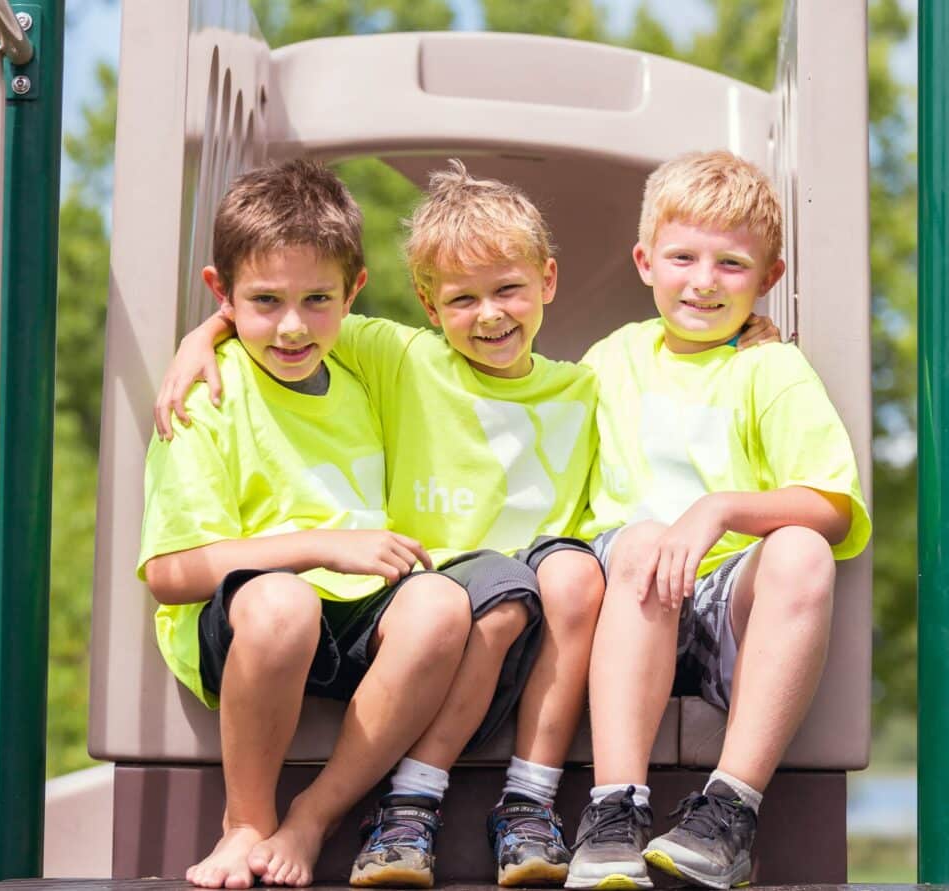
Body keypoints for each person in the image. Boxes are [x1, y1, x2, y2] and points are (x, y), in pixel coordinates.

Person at [157, 160, 780, 888]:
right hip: (437, 593)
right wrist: (204, 335)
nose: (490, 314)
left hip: (531, 609)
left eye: (509, 290)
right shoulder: (399, 356)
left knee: (562, 574)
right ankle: (401, 804)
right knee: (470, 595)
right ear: (428, 303)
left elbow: (673, 360)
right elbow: (294, 307)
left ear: (547, 282)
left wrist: (748, 336)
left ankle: (529, 798)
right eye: (463, 299)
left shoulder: (589, 383)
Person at [139, 160, 537, 890]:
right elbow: (168, 576)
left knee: (442, 600)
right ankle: (246, 822)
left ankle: (314, 816)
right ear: (222, 294)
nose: (292, 326)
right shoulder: (207, 397)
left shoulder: (362, 367)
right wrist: (322, 546)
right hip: (252, 624)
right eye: (265, 302)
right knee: (284, 600)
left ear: (352, 293)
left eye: (316, 299)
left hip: (354, 616)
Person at [565, 150, 871, 891]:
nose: (703, 281)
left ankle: (727, 811)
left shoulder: (770, 369)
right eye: (683, 256)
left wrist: (721, 507)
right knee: (639, 541)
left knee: (800, 548)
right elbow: (480, 375)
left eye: (732, 264)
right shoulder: (609, 362)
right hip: (625, 611)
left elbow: (832, 504)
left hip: (723, 608)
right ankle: (614, 810)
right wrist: (227, 334)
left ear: (768, 278)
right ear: (645, 261)